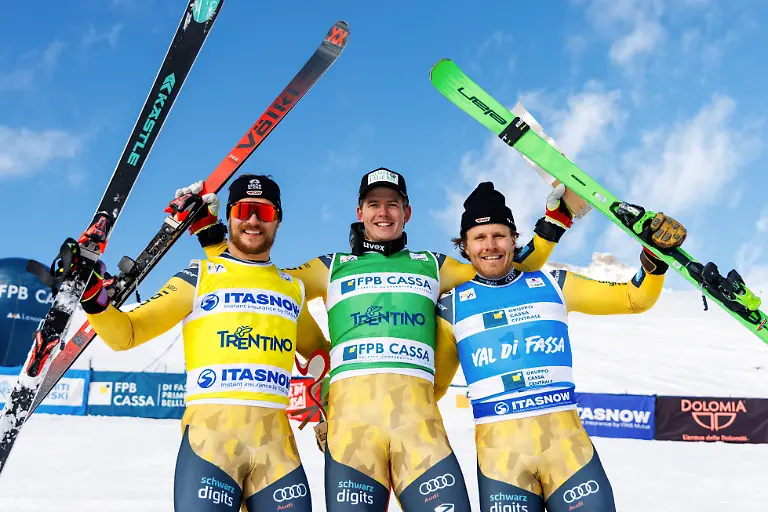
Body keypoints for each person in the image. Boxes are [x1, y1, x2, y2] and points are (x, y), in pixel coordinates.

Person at [192, 167, 573, 511]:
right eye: (374, 204)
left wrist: (554, 224)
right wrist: (212, 239)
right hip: (352, 439)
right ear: (360, 212)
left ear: (406, 213)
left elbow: (500, 264)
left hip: (421, 435)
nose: (383, 213)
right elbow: (261, 279)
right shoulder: (331, 267)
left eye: (393, 204)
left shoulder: (434, 265)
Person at [80, 174, 330, 512]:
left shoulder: (291, 288)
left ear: (278, 221)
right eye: (243, 210)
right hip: (210, 450)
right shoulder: (198, 278)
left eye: (265, 213)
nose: (253, 220)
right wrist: (93, 297)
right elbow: (125, 334)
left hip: (278, 454)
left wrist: (332, 408)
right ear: (230, 216)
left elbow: (322, 355)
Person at [434, 182, 687, 512]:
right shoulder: (451, 307)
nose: (490, 245)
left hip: (571, 460)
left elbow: (633, 298)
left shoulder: (554, 283)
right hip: (503, 470)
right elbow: (433, 387)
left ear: (514, 239)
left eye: (499, 235)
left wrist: (654, 261)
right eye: (479, 238)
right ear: (464, 247)